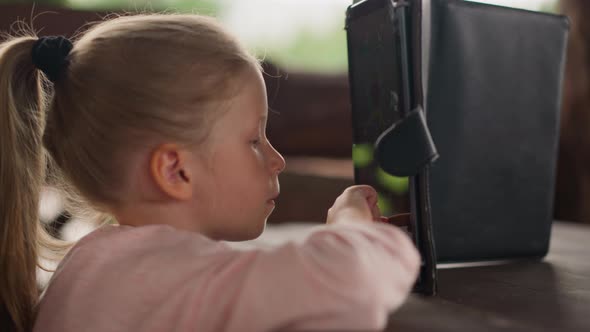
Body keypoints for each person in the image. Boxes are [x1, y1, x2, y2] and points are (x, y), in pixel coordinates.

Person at [0, 13, 420, 332]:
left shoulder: (94, 264)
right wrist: (352, 225)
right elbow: (351, 283)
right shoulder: (164, 276)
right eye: (254, 140)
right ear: (175, 170)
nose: (278, 160)